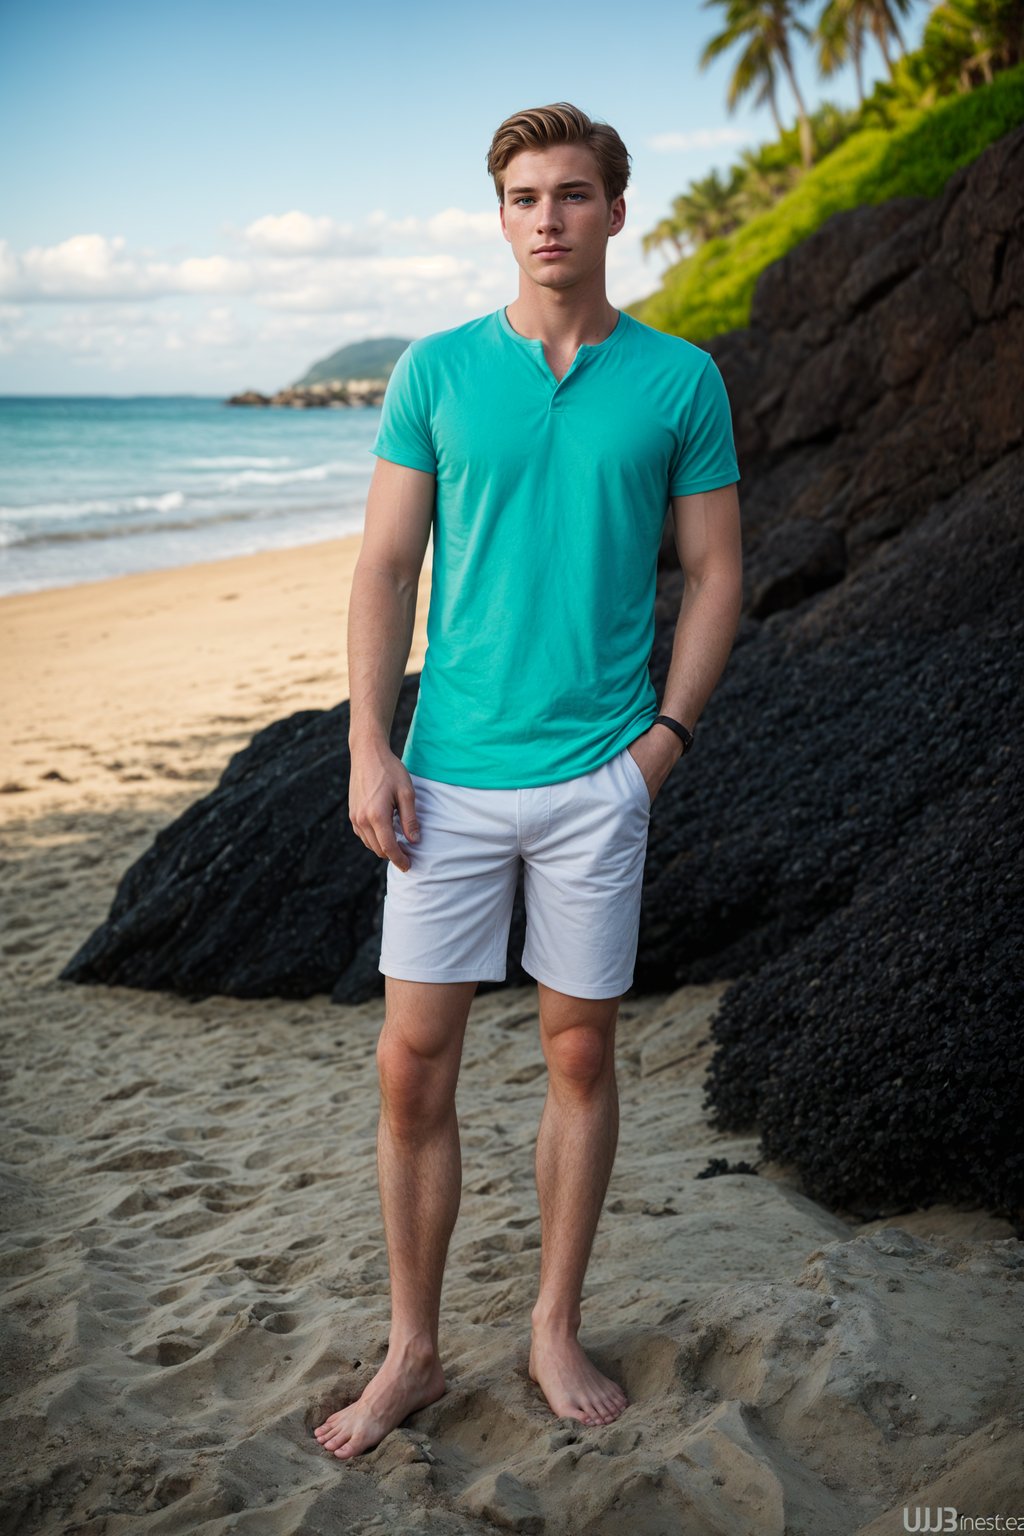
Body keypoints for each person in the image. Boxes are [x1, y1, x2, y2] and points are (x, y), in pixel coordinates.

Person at [315, 101, 743, 1461]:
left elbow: (720, 572)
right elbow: (387, 567)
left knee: (579, 1051)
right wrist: (368, 742)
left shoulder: (680, 381)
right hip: (444, 779)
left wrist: (662, 744)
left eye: (571, 193)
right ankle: (416, 1350)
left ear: (618, 211)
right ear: (498, 216)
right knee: (412, 1065)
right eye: (522, 196)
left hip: (597, 780)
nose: (546, 216)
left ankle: (554, 1323)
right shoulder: (437, 373)